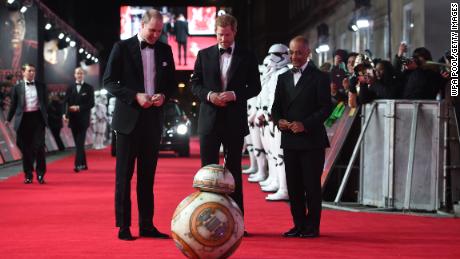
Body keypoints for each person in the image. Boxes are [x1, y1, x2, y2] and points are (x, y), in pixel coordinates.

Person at [103, 9, 176, 241]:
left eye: (159, 31)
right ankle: (123, 226)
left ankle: (147, 225)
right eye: (152, 30)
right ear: (141, 26)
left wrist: (163, 96)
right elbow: (109, 82)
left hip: (153, 121)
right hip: (127, 122)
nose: (155, 35)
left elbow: (171, 84)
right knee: (123, 177)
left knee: (148, 177)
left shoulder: (165, 50)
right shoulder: (121, 48)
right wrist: (135, 96)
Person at [191, 14, 261, 235]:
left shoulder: (247, 56)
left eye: (227, 35)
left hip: (234, 120)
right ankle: (205, 225)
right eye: (219, 34)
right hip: (209, 121)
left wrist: (234, 94)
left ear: (235, 31)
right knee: (206, 175)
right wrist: (210, 95)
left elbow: (255, 87)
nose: (223, 39)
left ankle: (238, 225)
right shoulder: (203, 55)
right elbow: (195, 84)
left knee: (233, 175)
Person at [271, 36, 332, 238]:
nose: (294, 56)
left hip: (312, 140)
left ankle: (312, 227)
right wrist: (279, 121)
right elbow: (275, 108)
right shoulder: (283, 78)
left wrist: (304, 124)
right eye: (291, 52)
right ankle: (298, 225)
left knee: (312, 186)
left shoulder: (320, 77)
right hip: (289, 140)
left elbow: (326, 108)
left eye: (298, 52)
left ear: (308, 53)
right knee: (294, 187)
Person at [6, 64, 48, 184]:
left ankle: (41, 174)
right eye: (29, 71)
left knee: (40, 147)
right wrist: (8, 119)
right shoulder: (17, 87)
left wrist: (46, 118)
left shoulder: (41, 86)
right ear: (23, 72)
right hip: (23, 120)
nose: (32, 73)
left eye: (33, 71)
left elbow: (46, 104)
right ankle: (28, 175)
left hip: (38, 119)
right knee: (26, 149)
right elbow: (14, 105)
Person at [63, 67, 95, 172]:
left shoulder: (89, 88)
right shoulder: (70, 87)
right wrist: (65, 114)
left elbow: (91, 103)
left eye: (81, 73)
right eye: (77, 73)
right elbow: (66, 102)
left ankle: (77, 165)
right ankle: (84, 164)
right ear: (74, 75)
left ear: (83, 75)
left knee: (80, 143)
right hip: (73, 119)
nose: (79, 75)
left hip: (83, 119)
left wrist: (79, 108)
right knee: (78, 144)